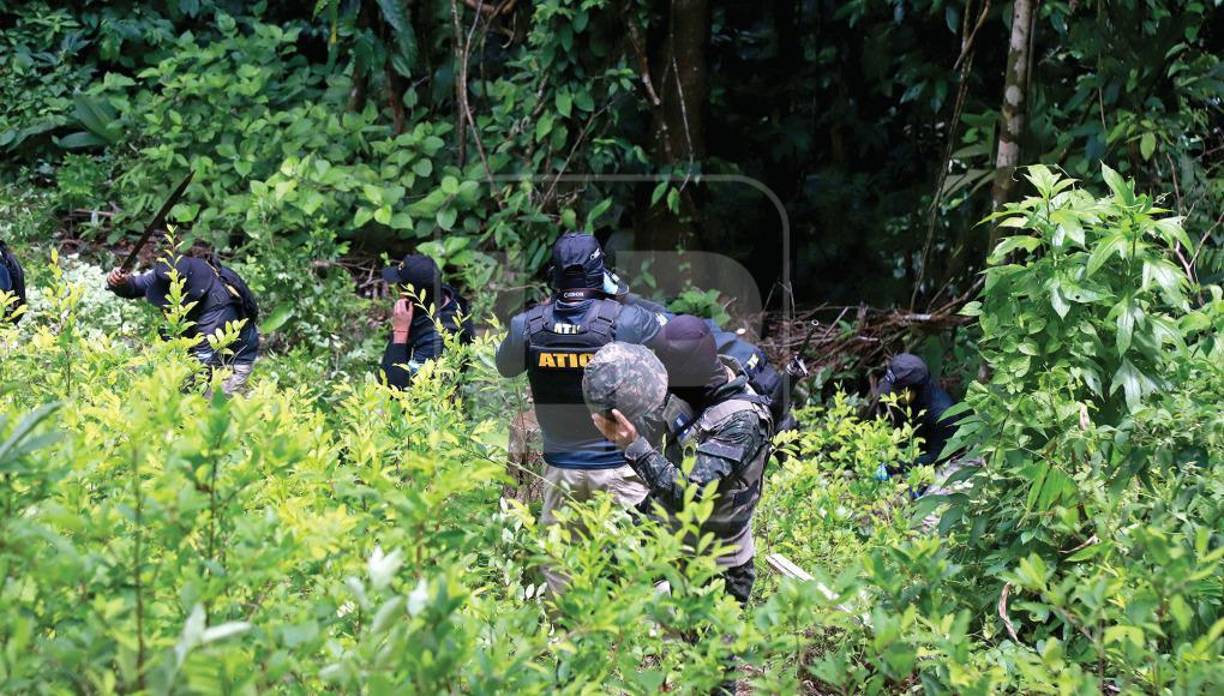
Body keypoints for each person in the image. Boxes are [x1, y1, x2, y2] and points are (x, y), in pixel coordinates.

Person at [494, 232, 664, 579]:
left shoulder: (527, 325)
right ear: (600, 270)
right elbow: (672, 326)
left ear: (553, 274)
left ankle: (564, 635)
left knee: (562, 577)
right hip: (621, 468)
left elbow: (505, 366)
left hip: (561, 472)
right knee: (643, 575)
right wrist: (621, 293)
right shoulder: (625, 320)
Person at [585, 315, 774, 607]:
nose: (664, 382)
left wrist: (631, 444)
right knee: (601, 581)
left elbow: (689, 494)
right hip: (670, 533)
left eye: (668, 374)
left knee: (708, 649)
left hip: (717, 563)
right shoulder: (690, 385)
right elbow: (653, 417)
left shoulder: (741, 420)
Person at [106, 251, 259, 395]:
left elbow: (204, 367)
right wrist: (121, 283)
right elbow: (138, 285)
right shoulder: (173, 272)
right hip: (193, 350)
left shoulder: (217, 310)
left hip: (230, 363)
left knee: (206, 408)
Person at [379, 254, 474, 389]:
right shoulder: (446, 294)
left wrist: (400, 332)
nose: (397, 291)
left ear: (411, 296)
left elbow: (396, 388)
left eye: (399, 287)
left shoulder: (436, 340)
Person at [878, 352, 960, 473]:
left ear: (913, 390)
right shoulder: (902, 401)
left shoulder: (943, 415)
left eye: (896, 392)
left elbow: (938, 457)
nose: (891, 396)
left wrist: (893, 467)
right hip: (910, 456)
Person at [0, 239, 26, 323]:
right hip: (15, 310)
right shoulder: (7, 255)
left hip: (6, 311)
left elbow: (5, 288)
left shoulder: (3, 259)